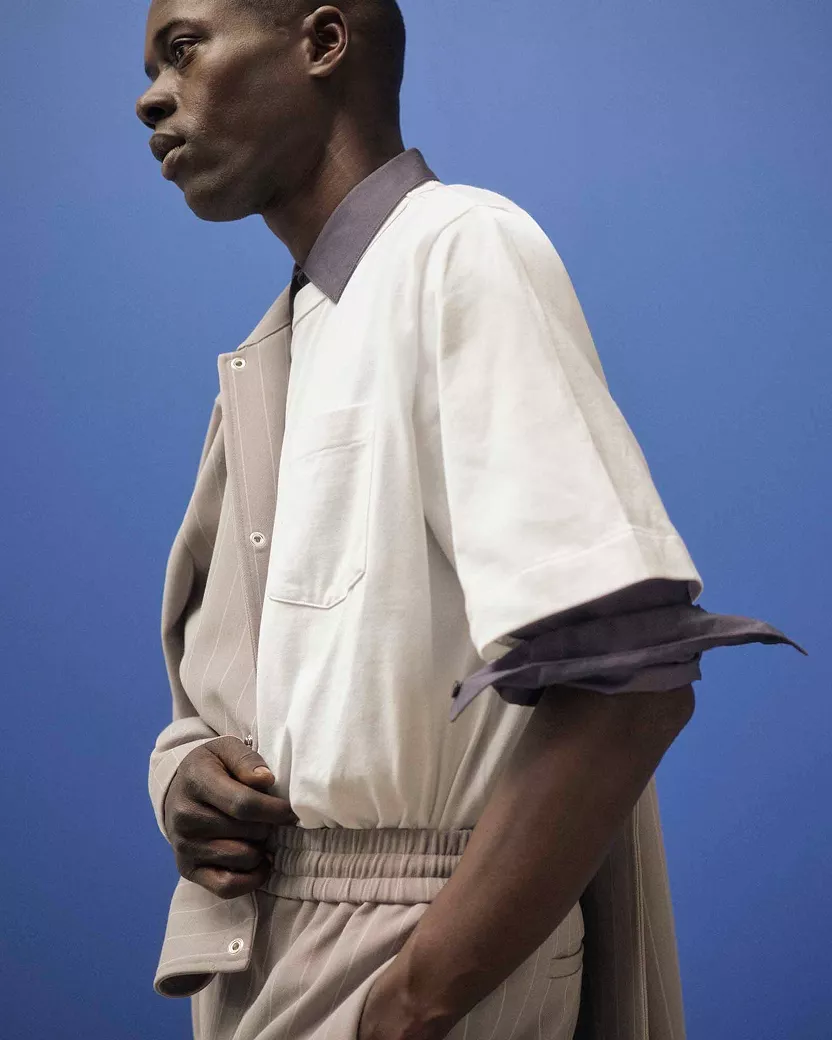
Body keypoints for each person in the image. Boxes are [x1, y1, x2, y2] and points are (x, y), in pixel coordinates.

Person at [136, 2, 803, 1038]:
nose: (150, 97)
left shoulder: (459, 250)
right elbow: (262, 688)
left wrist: (412, 1001)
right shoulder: (280, 347)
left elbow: (627, 691)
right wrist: (188, 777)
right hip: (266, 952)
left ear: (322, 43)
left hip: (408, 949)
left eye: (182, 49)